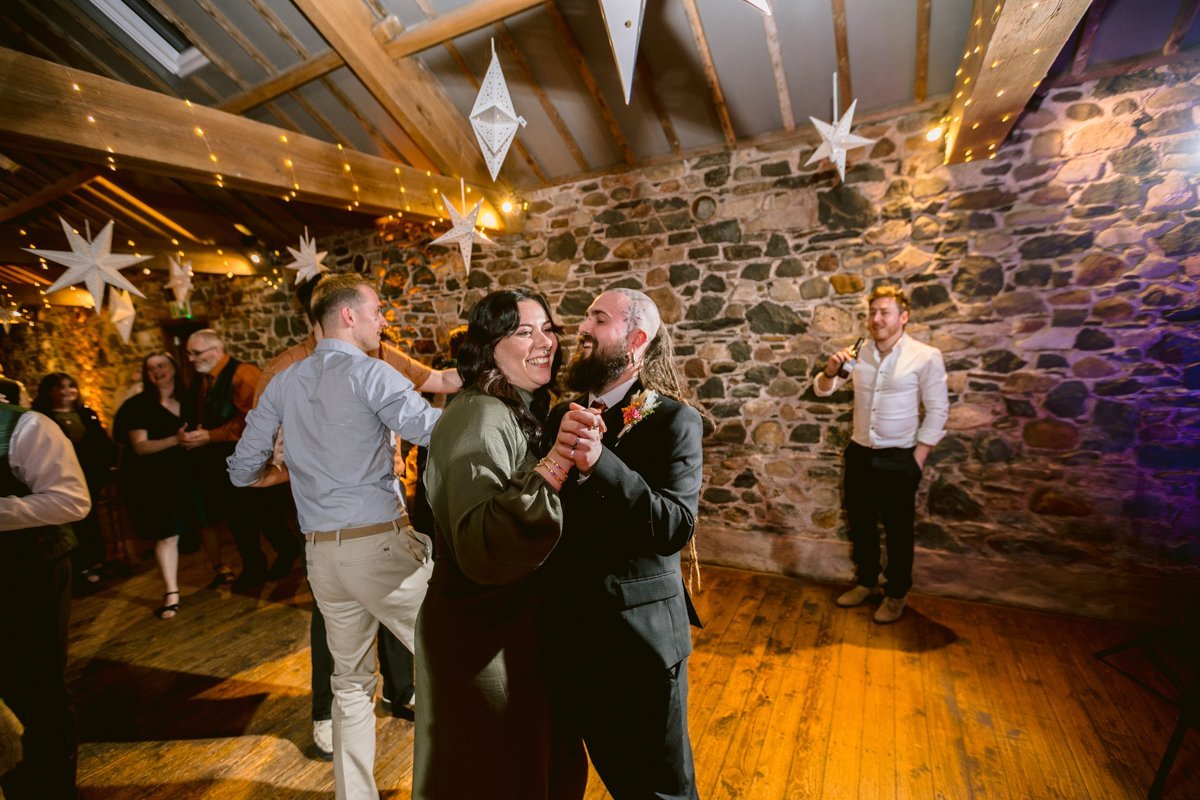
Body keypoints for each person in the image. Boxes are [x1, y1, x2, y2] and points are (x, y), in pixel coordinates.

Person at [228, 273, 440, 800]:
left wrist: (288, 471)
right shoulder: (373, 374)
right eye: (376, 309)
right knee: (455, 659)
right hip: (380, 547)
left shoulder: (284, 382)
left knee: (349, 685)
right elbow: (431, 431)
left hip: (321, 555)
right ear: (347, 315)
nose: (381, 319)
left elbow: (240, 471)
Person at [414, 290, 589, 800]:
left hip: (515, 621)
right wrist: (555, 464)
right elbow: (485, 540)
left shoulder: (519, 408)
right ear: (489, 346)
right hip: (481, 628)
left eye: (548, 329)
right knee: (493, 772)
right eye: (524, 332)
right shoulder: (480, 416)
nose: (545, 343)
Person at [544, 287, 705, 800]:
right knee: (599, 772)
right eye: (585, 316)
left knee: (658, 789)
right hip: (571, 637)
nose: (582, 328)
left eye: (598, 318)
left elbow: (675, 526)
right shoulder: (560, 416)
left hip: (639, 643)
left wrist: (602, 465)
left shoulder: (674, 420)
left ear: (636, 339)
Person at [813, 284, 949, 624]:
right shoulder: (858, 354)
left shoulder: (925, 355)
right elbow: (823, 390)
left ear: (903, 317)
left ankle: (897, 593)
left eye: (884, 312)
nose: (876, 319)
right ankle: (867, 582)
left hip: (900, 458)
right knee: (861, 526)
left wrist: (918, 458)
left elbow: (937, 410)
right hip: (860, 454)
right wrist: (830, 370)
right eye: (872, 312)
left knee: (899, 531)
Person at [0, 401, 91, 799]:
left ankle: (54, 787)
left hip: (30, 569)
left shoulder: (27, 426)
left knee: (39, 684)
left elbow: (72, 501)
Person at [182, 329, 299, 590]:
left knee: (264, 515)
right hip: (221, 461)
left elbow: (256, 419)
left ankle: (286, 551)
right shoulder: (203, 380)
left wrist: (211, 436)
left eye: (196, 353)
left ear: (216, 351)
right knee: (238, 519)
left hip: (249, 458)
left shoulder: (243, 375)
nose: (190, 358)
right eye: (189, 353)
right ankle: (254, 568)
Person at [113, 353, 205, 619]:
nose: (157, 371)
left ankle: (220, 567)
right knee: (167, 533)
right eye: (151, 368)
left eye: (162, 365)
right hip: (157, 478)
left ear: (174, 369)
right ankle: (171, 591)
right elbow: (140, 446)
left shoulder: (190, 399)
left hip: (191, 473)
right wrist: (174, 441)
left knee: (207, 522)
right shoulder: (137, 406)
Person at [33, 372, 115, 591]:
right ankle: (80, 567)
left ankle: (98, 561)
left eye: (71, 386)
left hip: (90, 475)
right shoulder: (41, 417)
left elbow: (101, 442)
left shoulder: (86, 413)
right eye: (61, 387)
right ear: (49, 391)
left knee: (92, 518)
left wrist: (106, 466)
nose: (67, 391)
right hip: (61, 478)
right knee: (73, 521)